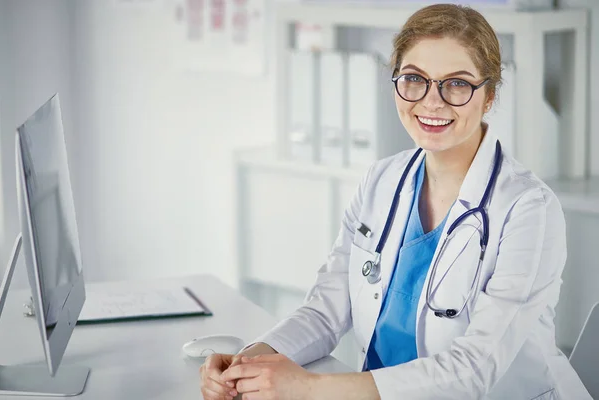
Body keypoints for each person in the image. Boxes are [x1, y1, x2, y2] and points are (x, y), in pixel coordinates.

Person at [200, 3, 591, 399]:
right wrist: (248, 363)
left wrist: (308, 388)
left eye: (456, 84)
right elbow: (324, 312)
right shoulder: (380, 181)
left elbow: (475, 369)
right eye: (414, 79)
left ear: (488, 96)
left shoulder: (528, 209)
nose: (432, 101)